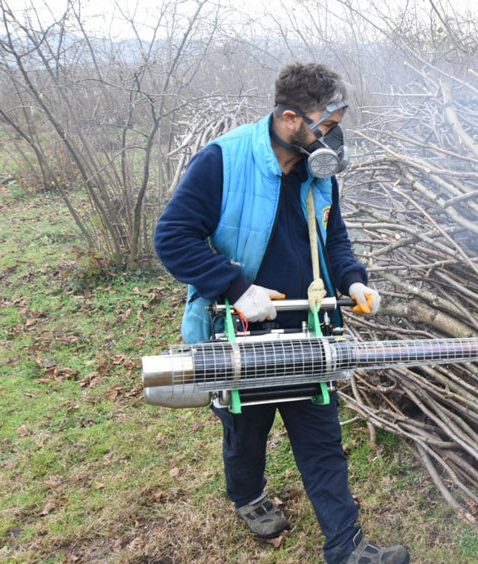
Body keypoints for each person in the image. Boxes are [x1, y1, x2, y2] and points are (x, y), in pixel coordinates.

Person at [154, 62, 410, 564]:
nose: (333, 141)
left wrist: (353, 278)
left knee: (321, 437)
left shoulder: (317, 172)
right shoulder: (223, 161)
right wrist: (235, 286)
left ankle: (347, 548)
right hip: (241, 334)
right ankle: (247, 496)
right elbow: (171, 238)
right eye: (327, 128)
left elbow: (333, 237)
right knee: (247, 432)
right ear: (291, 119)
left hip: (306, 327)